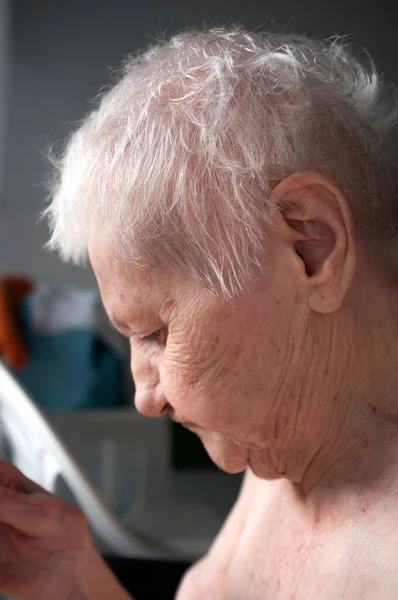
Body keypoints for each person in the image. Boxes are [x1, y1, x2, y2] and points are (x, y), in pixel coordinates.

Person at [1, 25, 398, 599]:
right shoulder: (286, 429)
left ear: (311, 247)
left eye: (159, 331)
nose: (145, 396)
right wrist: (71, 577)